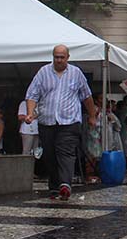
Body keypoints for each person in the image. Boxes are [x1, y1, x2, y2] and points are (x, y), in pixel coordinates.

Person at [25, 44, 97, 201]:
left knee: (66, 152)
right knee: (50, 155)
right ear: (53, 57)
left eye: (62, 57)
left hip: (69, 122)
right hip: (47, 122)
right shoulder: (43, 72)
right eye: (56, 57)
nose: (58, 60)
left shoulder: (76, 73)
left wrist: (92, 115)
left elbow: (87, 96)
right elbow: (32, 95)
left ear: (68, 58)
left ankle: (65, 184)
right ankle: (54, 187)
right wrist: (30, 113)